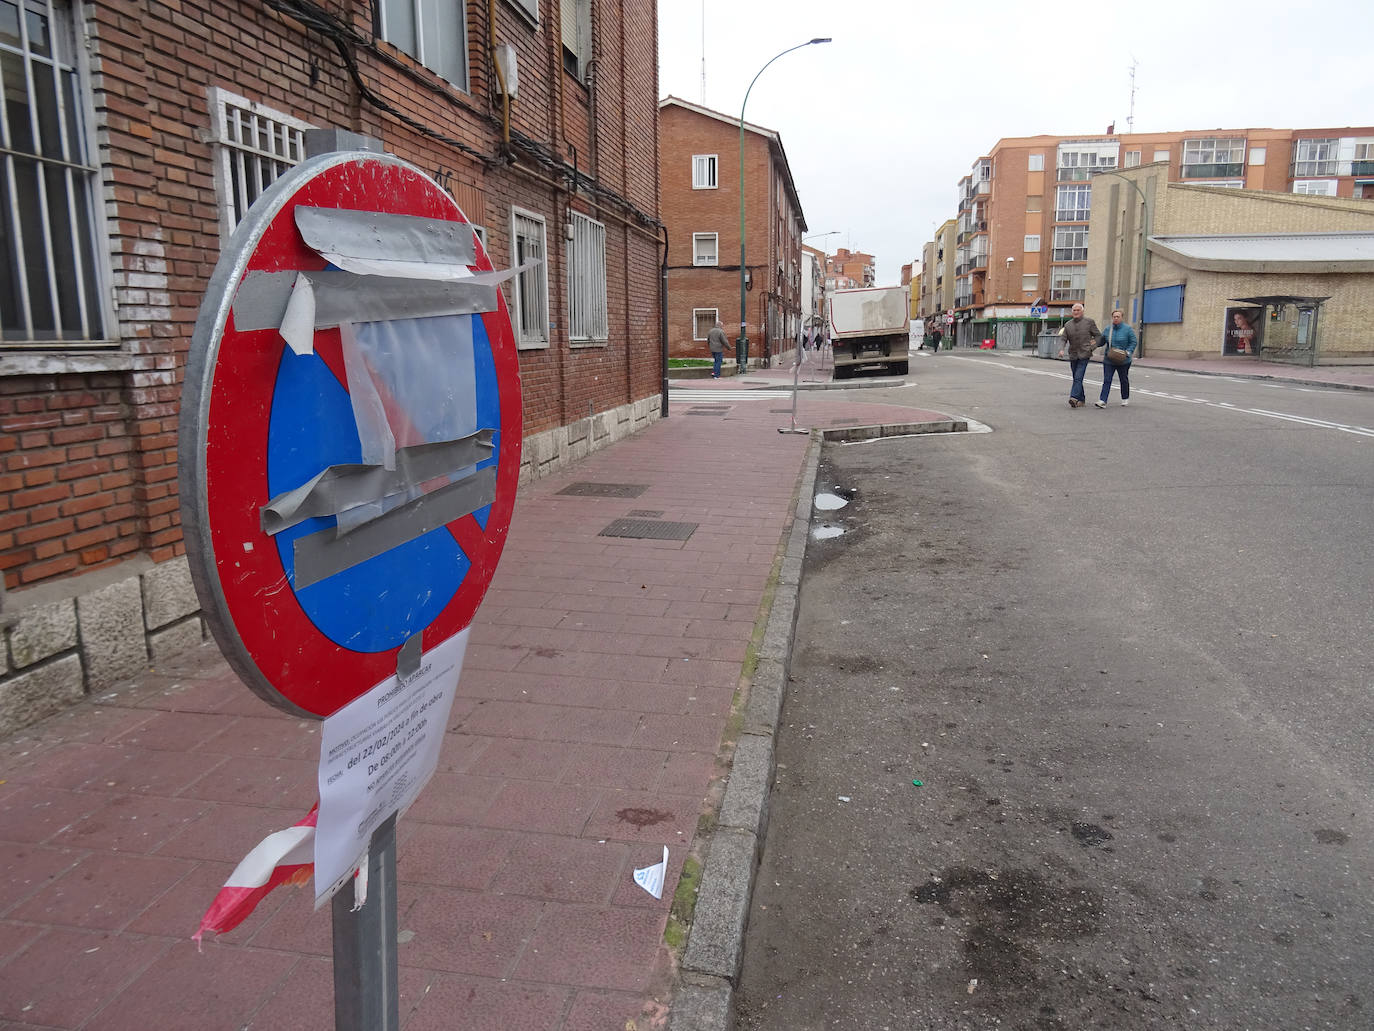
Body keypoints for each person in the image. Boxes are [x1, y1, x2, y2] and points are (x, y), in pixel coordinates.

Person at [1056, 302, 1101, 408]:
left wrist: (1092, 347)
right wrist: (1061, 349)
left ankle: (1074, 397)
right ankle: (1082, 399)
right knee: (1076, 377)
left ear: (1082, 311)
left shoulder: (1089, 322)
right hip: (1073, 354)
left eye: (1078, 310)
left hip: (1084, 354)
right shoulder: (1068, 324)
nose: (1076, 312)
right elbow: (1063, 339)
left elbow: (1099, 336)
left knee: (1078, 376)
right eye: (1074, 310)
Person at [1094, 309, 1137, 408]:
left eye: (1118, 316)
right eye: (1114, 317)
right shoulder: (1108, 329)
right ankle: (1103, 400)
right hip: (1109, 359)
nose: (1116, 318)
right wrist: (1095, 342)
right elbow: (1102, 341)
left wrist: (1128, 352)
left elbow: (1133, 342)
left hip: (1123, 360)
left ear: (1122, 318)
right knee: (1107, 379)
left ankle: (1125, 398)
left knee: (1123, 379)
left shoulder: (1128, 329)